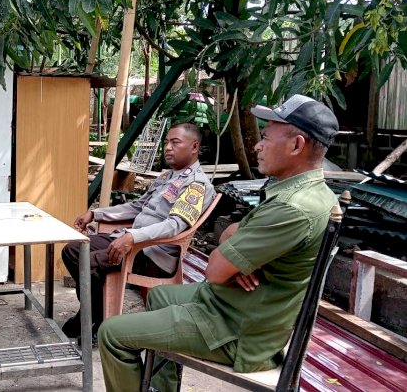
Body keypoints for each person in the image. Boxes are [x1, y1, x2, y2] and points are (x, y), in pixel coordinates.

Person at [98, 95, 339, 392]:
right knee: (160, 297)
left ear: (296, 145)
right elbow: (229, 234)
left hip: (237, 328)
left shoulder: (293, 207)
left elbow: (214, 269)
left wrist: (228, 259)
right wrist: (234, 258)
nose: (257, 145)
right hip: (233, 302)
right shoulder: (296, 191)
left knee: (111, 333)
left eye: (264, 138)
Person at [61, 123, 216, 340]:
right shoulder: (166, 177)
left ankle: (97, 322)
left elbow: (175, 225)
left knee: (91, 261)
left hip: (154, 253)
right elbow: (137, 207)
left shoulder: (196, 185)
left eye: (175, 142)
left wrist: (133, 236)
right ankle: (93, 313)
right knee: (73, 250)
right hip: (134, 241)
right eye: (166, 142)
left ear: (194, 147)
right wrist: (96, 214)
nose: (168, 148)